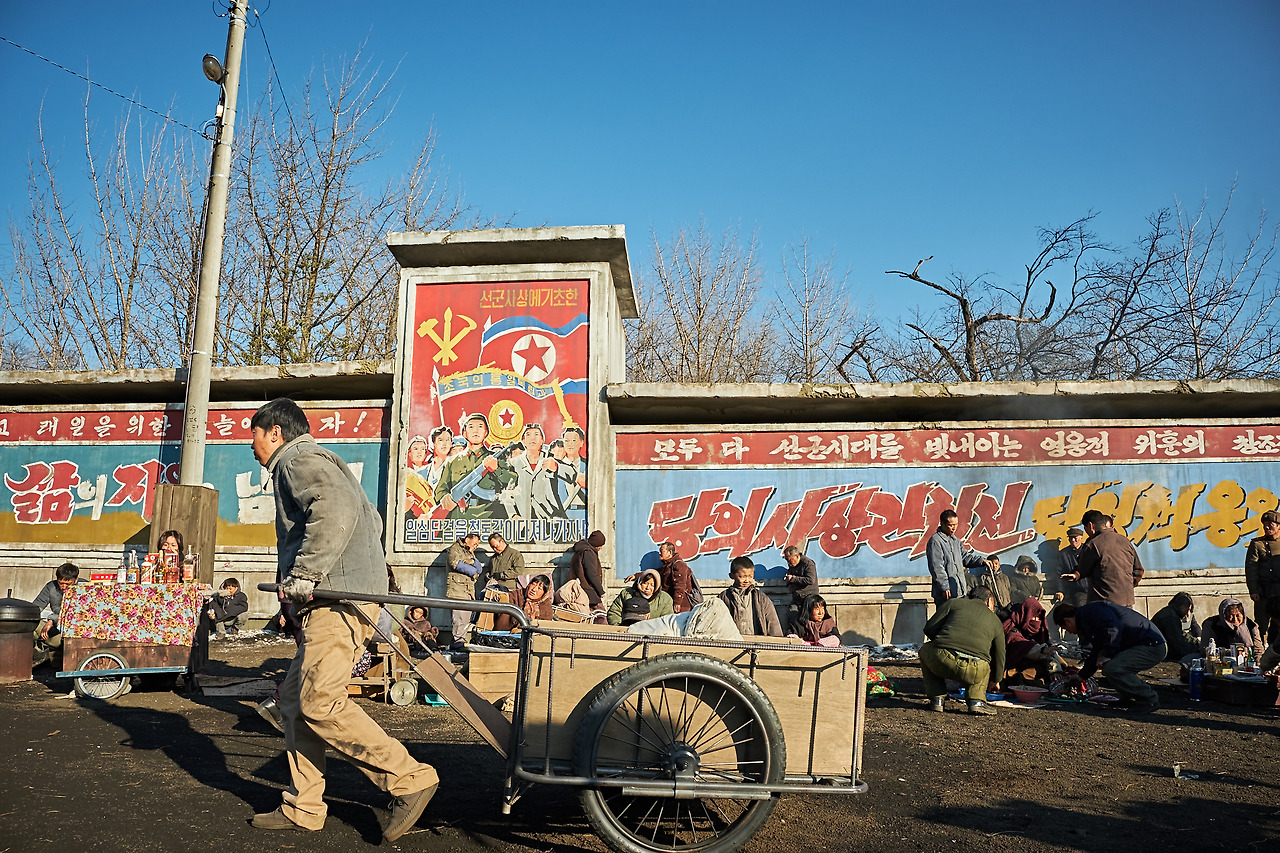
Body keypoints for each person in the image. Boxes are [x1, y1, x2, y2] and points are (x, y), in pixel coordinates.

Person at [246, 398, 438, 840]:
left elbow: (333, 509)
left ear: (275, 432)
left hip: (335, 602)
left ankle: (409, 778)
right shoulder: (324, 461)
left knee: (319, 702)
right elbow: (370, 519)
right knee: (294, 704)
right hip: (345, 596)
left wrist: (306, 574)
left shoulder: (296, 459)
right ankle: (304, 807)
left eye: (253, 435)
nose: (250, 445)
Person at [1052, 600, 1165, 714]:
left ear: (1067, 620)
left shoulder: (1092, 612)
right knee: (1109, 667)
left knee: (1113, 668)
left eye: (1065, 628)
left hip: (1151, 645)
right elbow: (1096, 651)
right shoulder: (1088, 621)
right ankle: (1128, 697)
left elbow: (1113, 628)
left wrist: (1107, 654)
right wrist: (1082, 676)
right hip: (1141, 644)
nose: (1069, 632)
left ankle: (1148, 699)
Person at [919, 585, 1005, 715]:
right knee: (985, 663)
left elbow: (929, 628)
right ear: (989, 601)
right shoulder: (996, 621)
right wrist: (996, 680)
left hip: (942, 660)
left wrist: (942, 642)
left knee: (925, 649)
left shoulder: (953, 603)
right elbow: (999, 655)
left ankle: (937, 699)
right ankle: (976, 701)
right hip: (975, 670)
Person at [434, 413, 515, 519]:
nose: (476, 431)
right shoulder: (452, 462)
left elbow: (513, 482)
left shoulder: (498, 458)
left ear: (486, 432)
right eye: (471, 427)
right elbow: (440, 490)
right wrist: (445, 499)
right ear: (464, 433)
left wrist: (497, 470)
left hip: (491, 519)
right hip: (461, 520)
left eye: (480, 427)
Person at [1059, 510, 1144, 607]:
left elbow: (1083, 568)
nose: (1086, 532)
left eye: (1085, 529)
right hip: (1127, 601)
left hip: (1104, 602)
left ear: (1091, 526)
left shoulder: (1093, 544)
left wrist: (1076, 575)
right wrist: (1127, 587)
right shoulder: (1125, 541)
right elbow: (1138, 570)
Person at [925, 509, 999, 605]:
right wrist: (944, 586)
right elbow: (937, 567)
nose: (954, 528)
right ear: (942, 523)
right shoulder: (935, 541)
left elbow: (965, 558)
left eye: (956, 524)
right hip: (946, 594)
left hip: (959, 591)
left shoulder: (956, 541)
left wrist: (982, 561)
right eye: (951, 525)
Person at [718, 557, 783, 637]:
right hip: (733, 641)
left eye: (750, 576)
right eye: (742, 577)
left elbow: (773, 623)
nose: (747, 580)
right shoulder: (724, 598)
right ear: (732, 576)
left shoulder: (761, 598)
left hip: (757, 641)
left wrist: (777, 640)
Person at [1244, 510, 1280, 645]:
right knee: (1260, 626)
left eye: (1270, 524)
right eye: (1265, 524)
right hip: (1264, 592)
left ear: (1279, 526)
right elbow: (1251, 569)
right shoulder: (1257, 544)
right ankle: (1260, 651)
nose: (1266, 527)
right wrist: (1253, 590)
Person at [1000, 596, 1052, 686]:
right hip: (1012, 675)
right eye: (1034, 617)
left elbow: (1050, 649)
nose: (1037, 621)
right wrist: (1042, 650)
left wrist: (1056, 670)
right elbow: (1023, 646)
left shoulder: (1040, 633)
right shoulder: (1012, 631)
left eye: (1039, 618)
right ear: (1026, 615)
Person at [444, 533, 483, 650]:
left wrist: (472, 562)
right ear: (467, 540)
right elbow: (456, 564)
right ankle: (458, 641)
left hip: (468, 591)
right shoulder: (455, 548)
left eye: (477, 545)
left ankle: (459, 641)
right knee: (459, 618)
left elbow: (479, 568)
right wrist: (473, 571)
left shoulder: (469, 552)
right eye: (474, 544)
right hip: (457, 589)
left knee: (465, 618)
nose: (475, 547)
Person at [32, 562, 79, 661]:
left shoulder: (84, 589)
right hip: (55, 630)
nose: (64, 587)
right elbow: (36, 607)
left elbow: (76, 616)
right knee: (30, 624)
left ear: (76, 580)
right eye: (61, 583)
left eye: (68, 584)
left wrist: (51, 620)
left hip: (73, 635)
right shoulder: (51, 587)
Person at [1200, 598, 1265, 662]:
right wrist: (1232, 652)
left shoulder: (1251, 626)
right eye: (1231, 616)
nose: (1235, 619)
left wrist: (1259, 662)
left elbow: (1258, 650)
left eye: (1238, 615)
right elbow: (1205, 649)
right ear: (1224, 616)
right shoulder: (1211, 625)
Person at [607, 569, 674, 626]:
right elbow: (614, 612)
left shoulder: (665, 599)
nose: (648, 587)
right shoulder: (627, 594)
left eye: (652, 585)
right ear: (640, 582)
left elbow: (667, 620)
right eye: (645, 583)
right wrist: (620, 628)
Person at [1150, 592, 1201, 660]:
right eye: (1188, 610)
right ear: (1182, 607)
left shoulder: (1170, 612)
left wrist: (1196, 642)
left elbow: (1181, 634)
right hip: (1156, 649)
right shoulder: (1170, 617)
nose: (1188, 614)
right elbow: (1178, 642)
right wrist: (1197, 649)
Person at [569, 530, 608, 613]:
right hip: (588, 592)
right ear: (596, 544)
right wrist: (600, 591)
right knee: (600, 615)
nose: (601, 548)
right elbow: (591, 573)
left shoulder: (582, 551)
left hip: (582, 591)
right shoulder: (588, 553)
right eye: (600, 545)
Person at [1050, 528, 1089, 607]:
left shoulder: (1088, 550)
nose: (1073, 540)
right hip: (1078, 591)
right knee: (1082, 608)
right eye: (1071, 538)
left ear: (1081, 538)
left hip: (1093, 589)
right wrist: (1060, 591)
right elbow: (1059, 573)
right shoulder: (1064, 554)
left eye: (1075, 537)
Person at [657, 541, 695, 613]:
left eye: (662, 551)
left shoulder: (679, 565)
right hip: (670, 602)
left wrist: (677, 602)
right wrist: (637, 575)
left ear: (670, 552)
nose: (659, 553)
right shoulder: (667, 566)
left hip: (681, 605)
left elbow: (680, 585)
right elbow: (656, 573)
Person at [781, 545, 820, 615]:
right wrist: (789, 584)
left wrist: (793, 578)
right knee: (792, 615)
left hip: (809, 599)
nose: (788, 563)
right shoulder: (792, 565)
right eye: (786, 560)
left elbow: (810, 580)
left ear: (797, 556)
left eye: (790, 560)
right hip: (797, 599)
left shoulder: (808, 563)